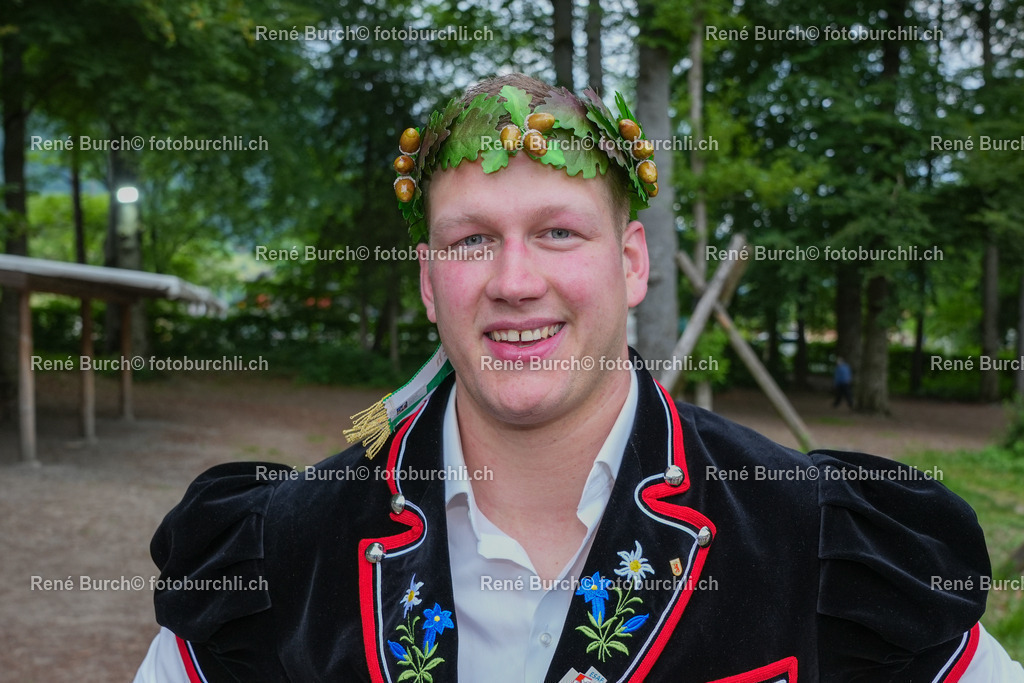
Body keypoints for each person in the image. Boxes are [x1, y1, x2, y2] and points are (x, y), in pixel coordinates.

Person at [134, 73, 1024, 682]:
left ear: (631, 262)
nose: (515, 279)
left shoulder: (819, 537)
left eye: (558, 231)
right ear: (427, 281)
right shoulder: (274, 556)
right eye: (472, 239)